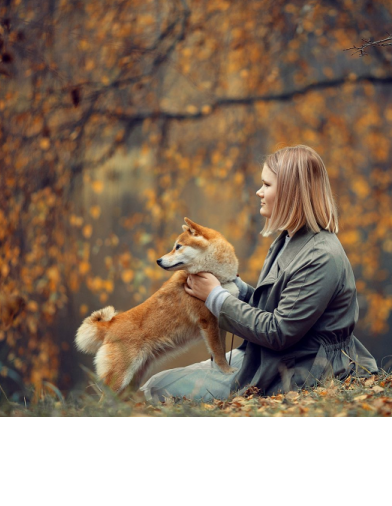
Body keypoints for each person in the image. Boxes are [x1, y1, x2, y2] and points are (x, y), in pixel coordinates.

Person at [140, 145, 378, 403]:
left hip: (302, 368)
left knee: (158, 388)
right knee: (155, 382)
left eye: (266, 185)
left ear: (290, 192)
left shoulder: (320, 256)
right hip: (272, 356)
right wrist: (236, 289)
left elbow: (279, 331)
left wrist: (216, 297)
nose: (259, 192)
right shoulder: (289, 238)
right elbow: (278, 307)